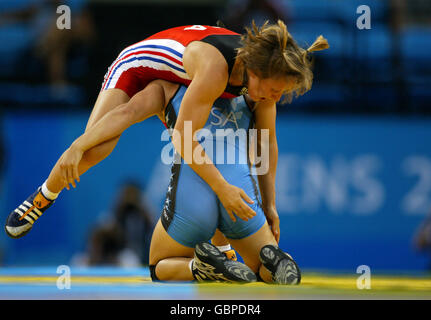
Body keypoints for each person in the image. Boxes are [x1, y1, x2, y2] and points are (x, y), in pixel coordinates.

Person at [5, 21, 328, 275]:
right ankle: (43, 196)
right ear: (256, 72)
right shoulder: (216, 71)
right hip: (136, 66)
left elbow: (265, 144)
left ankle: (220, 251)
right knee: (98, 146)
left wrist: (270, 205)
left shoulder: (261, 79)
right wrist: (78, 144)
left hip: (181, 76)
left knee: (227, 153)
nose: (274, 98)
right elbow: (183, 138)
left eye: (279, 94)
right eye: (273, 91)